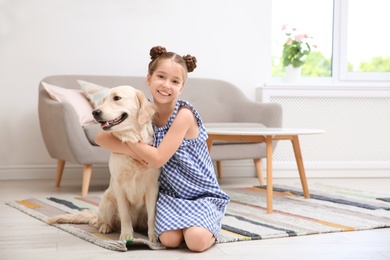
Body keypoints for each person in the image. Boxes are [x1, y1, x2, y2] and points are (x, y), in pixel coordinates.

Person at [95, 46, 230, 252]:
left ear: (181, 87)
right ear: (149, 79)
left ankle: (208, 224)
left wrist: (129, 140)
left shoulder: (184, 115)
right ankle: (191, 224)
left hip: (199, 193)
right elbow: (101, 138)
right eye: (161, 77)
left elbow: (157, 159)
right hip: (169, 195)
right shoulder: (143, 109)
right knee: (169, 240)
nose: (166, 85)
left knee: (195, 241)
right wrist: (132, 151)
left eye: (175, 81)